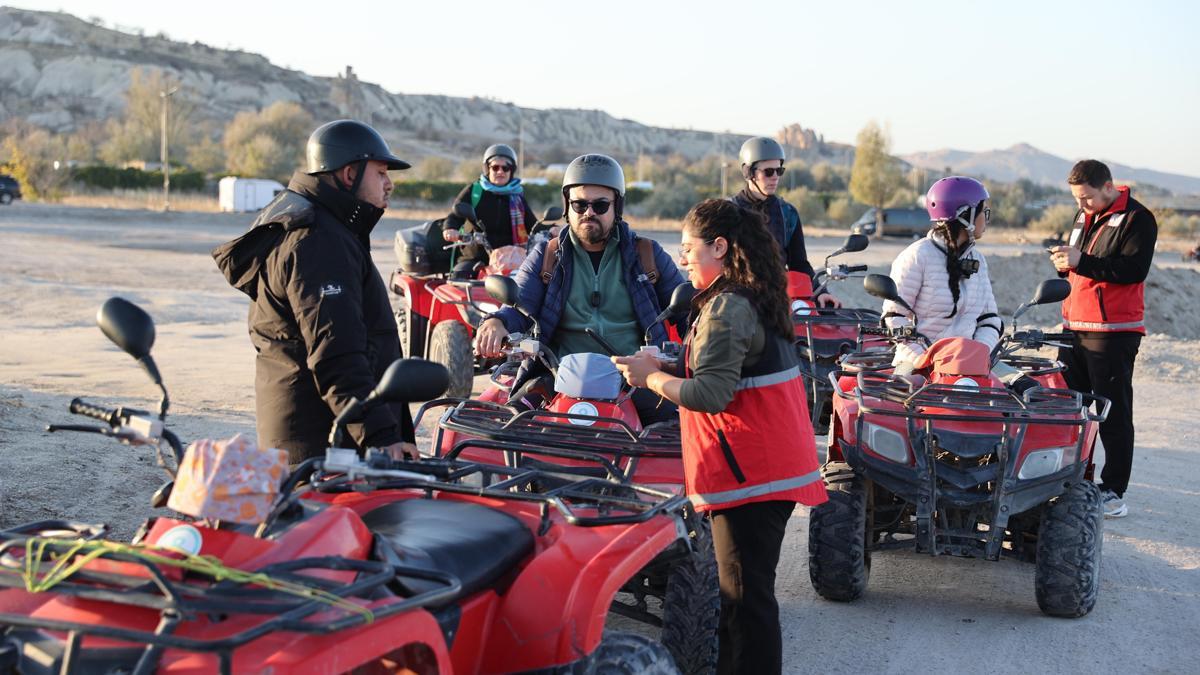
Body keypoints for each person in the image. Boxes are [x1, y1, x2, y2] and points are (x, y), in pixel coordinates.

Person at [611, 199, 826, 675]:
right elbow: (729, 371)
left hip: (751, 476)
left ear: (720, 247)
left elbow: (710, 393)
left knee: (746, 604)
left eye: (688, 248)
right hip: (762, 471)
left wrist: (649, 378)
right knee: (737, 602)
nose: (683, 258)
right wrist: (666, 364)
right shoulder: (748, 296)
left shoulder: (727, 306)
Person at [212, 119, 416, 464]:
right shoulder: (319, 242)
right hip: (325, 445)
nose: (389, 184)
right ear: (349, 174)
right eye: (380, 173)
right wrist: (379, 437)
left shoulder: (326, 229)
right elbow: (336, 353)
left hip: (321, 435)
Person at [474, 153, 685, 424]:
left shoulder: (647, 254)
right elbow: (520, 301)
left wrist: (705, 341)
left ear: (617, 207)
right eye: (579, 204)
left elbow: (688, 311)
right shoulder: (547, 255)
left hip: (633, 378)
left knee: (673, 433)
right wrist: (497, 322)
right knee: (513, 425)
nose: (588, 213)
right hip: (556, 374)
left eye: (600, 205)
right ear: (567, 206)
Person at [1049, 159, 1157, 519]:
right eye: (1077, 199)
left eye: (1087, 197)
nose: (1082, 204)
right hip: (1073, 328)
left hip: (1113, 333)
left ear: (1108, 187)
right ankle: (1071, 480)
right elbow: (1080, 263)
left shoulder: (1138, 219)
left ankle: (1113, 491)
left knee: (1112, 412)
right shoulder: (1083, 216)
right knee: (1069, 409)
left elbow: (1133, 270)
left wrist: (1081, 262)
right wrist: (1065, 265)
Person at [881, 176, 1008, 371]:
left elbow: (989, 320)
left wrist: (977, 354)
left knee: (1022, 385)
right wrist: (925, 359)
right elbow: (893, 317)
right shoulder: (917, 256)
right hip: (919, 363)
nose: (987, 218)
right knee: (904, 390)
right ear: (966, 215)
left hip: (969, 364)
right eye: (983, 211)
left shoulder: (979, 260)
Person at [730, 136, 840, 307]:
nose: (775, 177)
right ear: (748, 172)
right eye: (768, 172)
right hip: (736, 302)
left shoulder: (787, 213)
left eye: (779, 171)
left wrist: (820, 292)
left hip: (776, 302)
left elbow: (799, 264)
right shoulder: (728, 212)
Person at [442, 143, 539, 274]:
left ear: (511, 171)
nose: (500, 172)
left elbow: (533, 225)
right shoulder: (475, 191)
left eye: (505, 168)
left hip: (508, 259)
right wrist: (450, 229)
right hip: (476, 256)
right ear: (487, 169)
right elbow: (455, 215)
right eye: (495, 167)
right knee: (459, 276)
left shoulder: (517, 196)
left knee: (534, 278)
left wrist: (553, 230)